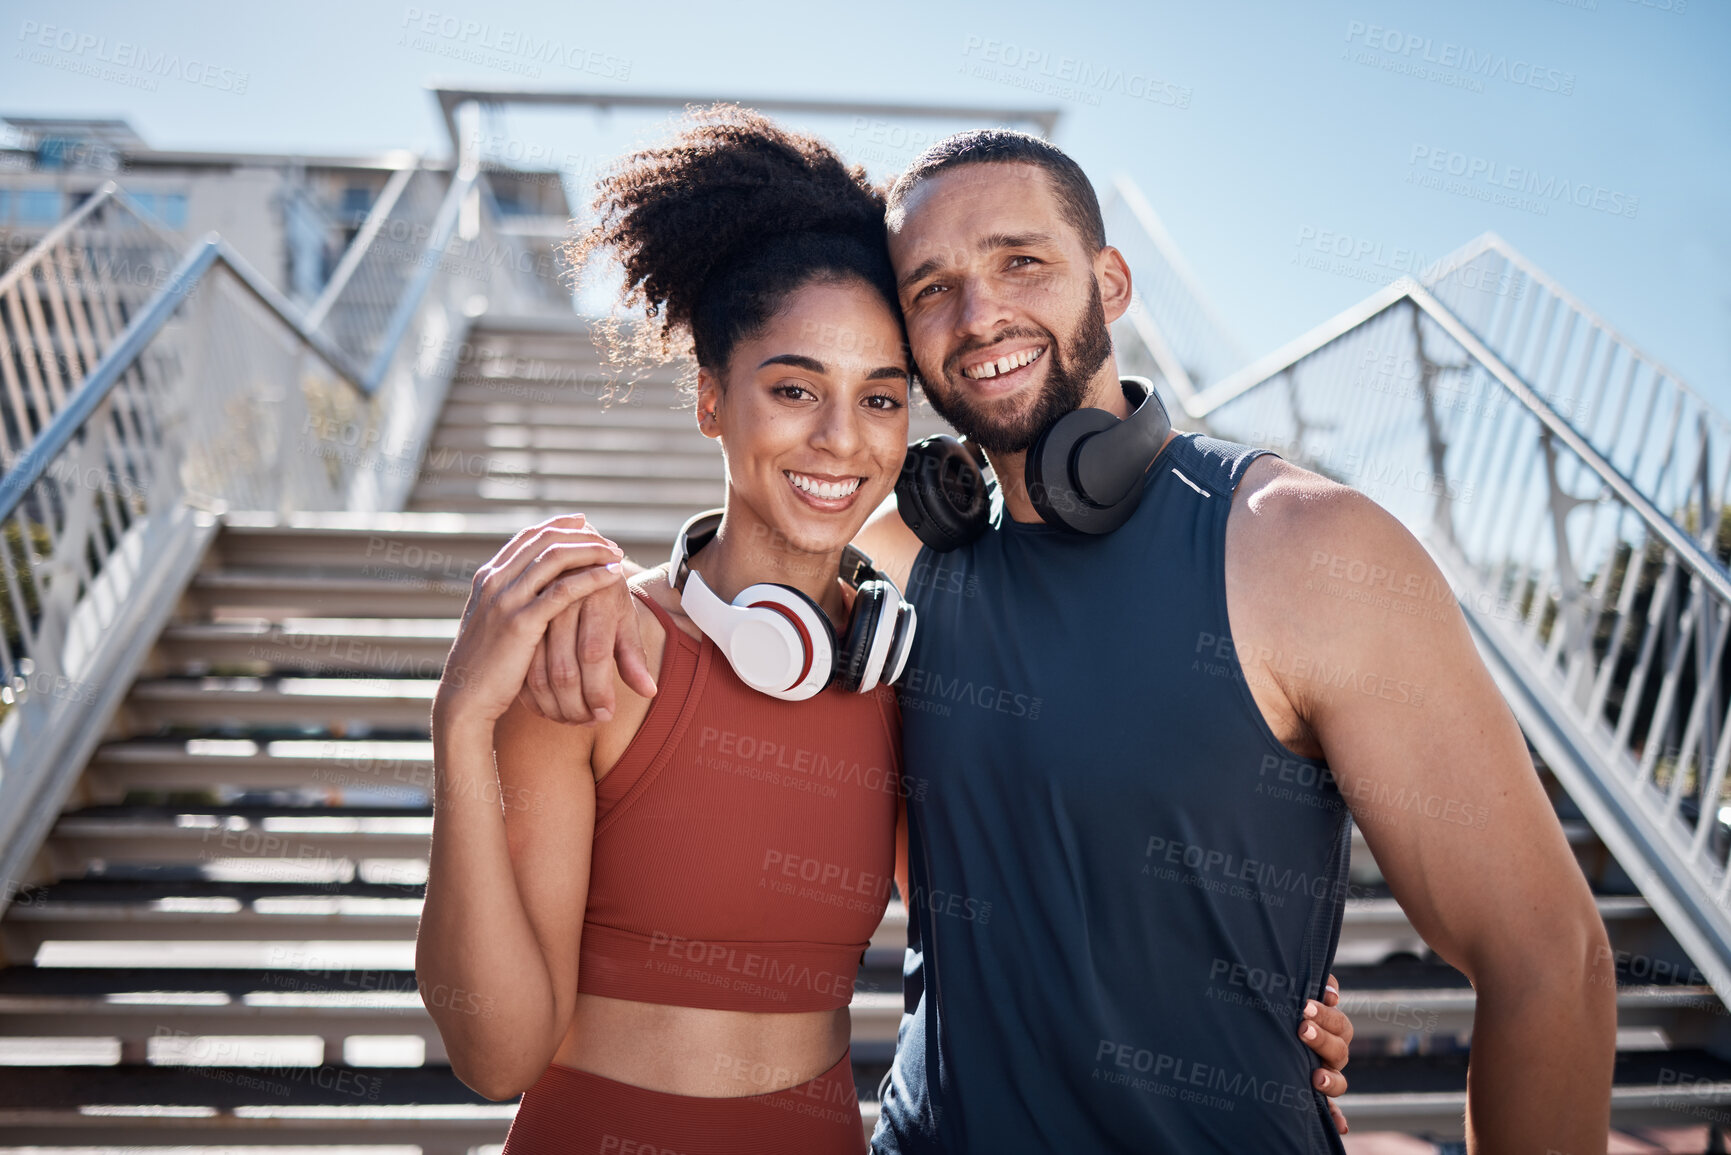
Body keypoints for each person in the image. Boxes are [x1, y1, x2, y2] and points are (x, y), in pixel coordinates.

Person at [529, 121, 1618, 1153]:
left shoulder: (1309, 550)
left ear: (1110, 284)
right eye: (934, 289)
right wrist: (589, 601)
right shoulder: (896, 561)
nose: (980, 314)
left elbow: (1551, 961)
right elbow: (736, 599)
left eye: (1020, 264)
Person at [415, 108, 1360, 1155]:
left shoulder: (894, 672)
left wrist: (1262, 1013)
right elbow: (495, 1057)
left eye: (879, 397)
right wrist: (460, 725)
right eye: (792, 388)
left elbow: (1025, 930)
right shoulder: (603, 654)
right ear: (709, 401)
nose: (839, 439)